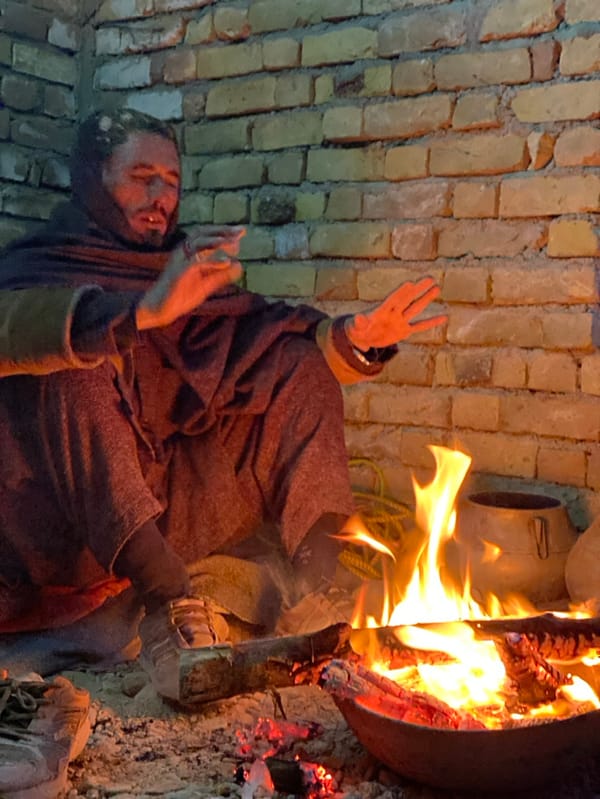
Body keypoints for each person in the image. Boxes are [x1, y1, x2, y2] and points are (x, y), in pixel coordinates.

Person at [0, 109, 446, 695]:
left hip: (167, 506)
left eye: (171, 181)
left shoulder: (181, 269)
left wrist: (352, 339)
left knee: (299, 363)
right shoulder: (34, 268)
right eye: (141, 177)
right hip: (70, 533)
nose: (161, 196)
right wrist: (141, 313)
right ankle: (167, 600)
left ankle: (318, 592)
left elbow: (259, 342)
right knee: (70, 365)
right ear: (93, 180)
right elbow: (16, 329)